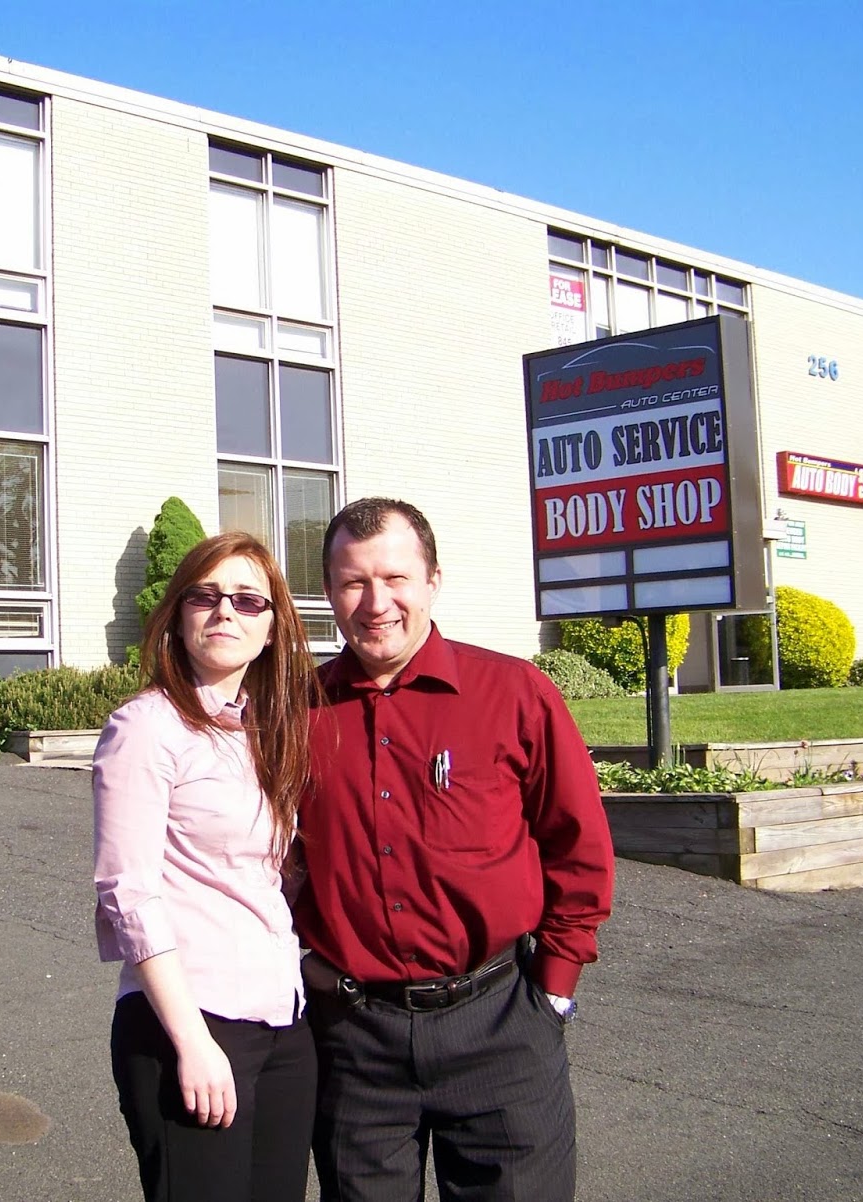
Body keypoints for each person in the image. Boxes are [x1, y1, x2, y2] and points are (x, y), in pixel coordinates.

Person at [294, 497, 615, 1202]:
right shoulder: (298, 713)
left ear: (434, 579)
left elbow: (578, 846)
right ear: (328, 594)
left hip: (501, 1024)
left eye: (395, 578)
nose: (375, 602)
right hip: (355, 1038)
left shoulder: (513, 693)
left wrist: (555, 989)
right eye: (353, 582)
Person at [94, 531, 320, 1202]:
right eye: (206, 596)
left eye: (249, 600)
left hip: (282, 1022)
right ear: (179, 614)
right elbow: (126, 893)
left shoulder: (263, 731)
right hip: (189, 1023)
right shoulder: (147, 727)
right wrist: (191, 1040)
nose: (226, 612)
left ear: (274, 626)